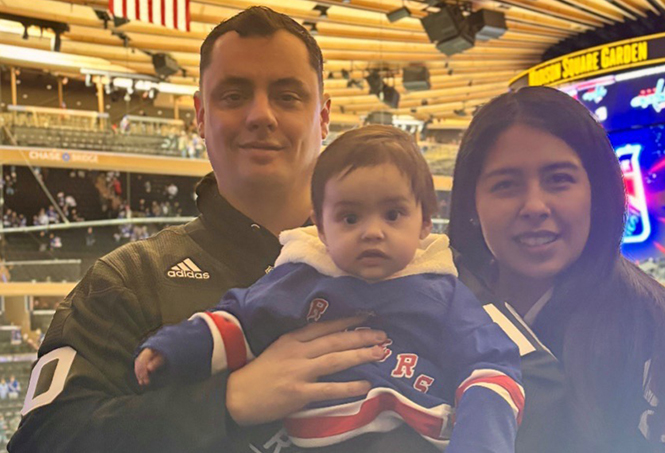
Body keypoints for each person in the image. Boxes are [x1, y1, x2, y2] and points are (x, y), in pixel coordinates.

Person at [9, 7, 401, 453]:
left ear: (324, 117)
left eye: (288, 96)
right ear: (199, 114)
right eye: (233, 96)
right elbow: (42, 441)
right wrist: (225, 404)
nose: (261, 115)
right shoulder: (127, 281)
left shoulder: (402, 268)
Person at [134, 125, 523, 452]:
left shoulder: (447, 291)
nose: (373, 231)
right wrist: (176, 348)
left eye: (393, 214)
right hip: (311, 438)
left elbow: (491, 367)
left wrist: (480, 442)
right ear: (320, 228)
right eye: (350, 217)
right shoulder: (302, 276)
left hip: (414, 438)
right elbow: (240, 318)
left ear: (424, 222)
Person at [448, 86, 665, 452]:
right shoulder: (432, 308)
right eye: (505, 185)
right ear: (472, 204)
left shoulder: (657, 326)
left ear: (597, 192)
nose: (534, 205)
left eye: (559, 179)